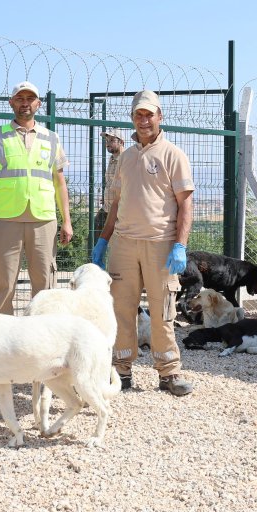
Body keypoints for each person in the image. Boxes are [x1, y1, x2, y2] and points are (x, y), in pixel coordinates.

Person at [92, 90, 195, 396]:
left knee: (163, 310)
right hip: (124, 244)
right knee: (122, 310)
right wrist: (103, 241)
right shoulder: (125, 158)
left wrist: (180, 245)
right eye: (139, 114)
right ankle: (121, 371)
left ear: (159, 117)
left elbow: (186, 204)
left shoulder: (173, 155)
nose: (144, 120)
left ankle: (169, 372)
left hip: (160, 244)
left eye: (150, 114)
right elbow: (116, 204)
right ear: (132, 119)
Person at [0, 81, 72, 315]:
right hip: (5, 219)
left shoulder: (52, 138)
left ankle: (41, 341)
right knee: (3, 283)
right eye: (20, 98)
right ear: (11, 103)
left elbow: (59, 183)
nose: (25, 103)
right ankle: (5, 342)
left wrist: (66, 220)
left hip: (43, 219)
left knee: (44, 287)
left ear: (38, 104)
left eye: (30, 99)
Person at [93, 128, 125, 234]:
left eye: (112, 140)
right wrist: (106, 197)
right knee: (95, 232)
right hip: (107, 208)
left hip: (119, 211)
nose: (108, 144)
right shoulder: (112, 159)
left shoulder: (126, 160)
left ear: (121, 142)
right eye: (107, 141)